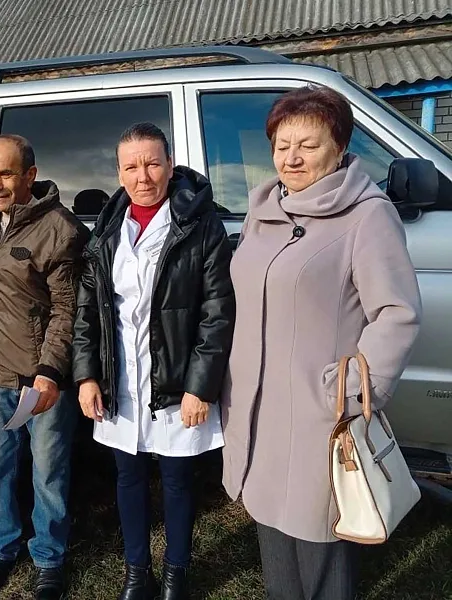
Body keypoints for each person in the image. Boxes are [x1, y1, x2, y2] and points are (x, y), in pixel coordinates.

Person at [221, 86, 422, 600]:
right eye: (281, 144)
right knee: (272, 526)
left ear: (339, 146)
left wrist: (353, 389)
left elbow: (396, 313)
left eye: (307, 145)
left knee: (320, 539)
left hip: (319, 413)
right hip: (259, 407)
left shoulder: (366, 215)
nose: (291, 157)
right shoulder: (264, 208)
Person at [73, 123, 235, 600]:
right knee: (127, 475)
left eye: (152, 162)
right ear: (119, 173)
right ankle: (137, 572)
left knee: (178, 478)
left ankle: (175, 574)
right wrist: (86, 376)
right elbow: (88, 311)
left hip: (177, 379)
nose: (143, 175)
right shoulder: (107, 228)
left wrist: (200, 386)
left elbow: (217, 311)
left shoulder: (201, 225)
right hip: (121, 376)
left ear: (169, 164)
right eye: (131, 166)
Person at [0, 135, 90, 600]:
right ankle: (0, 548)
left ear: (29, 176)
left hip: (39, 380)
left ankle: (48, 557)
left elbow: (67, 308)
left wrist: (50, 370)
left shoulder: (59, 229)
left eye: (4, 174)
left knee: (48, 472)